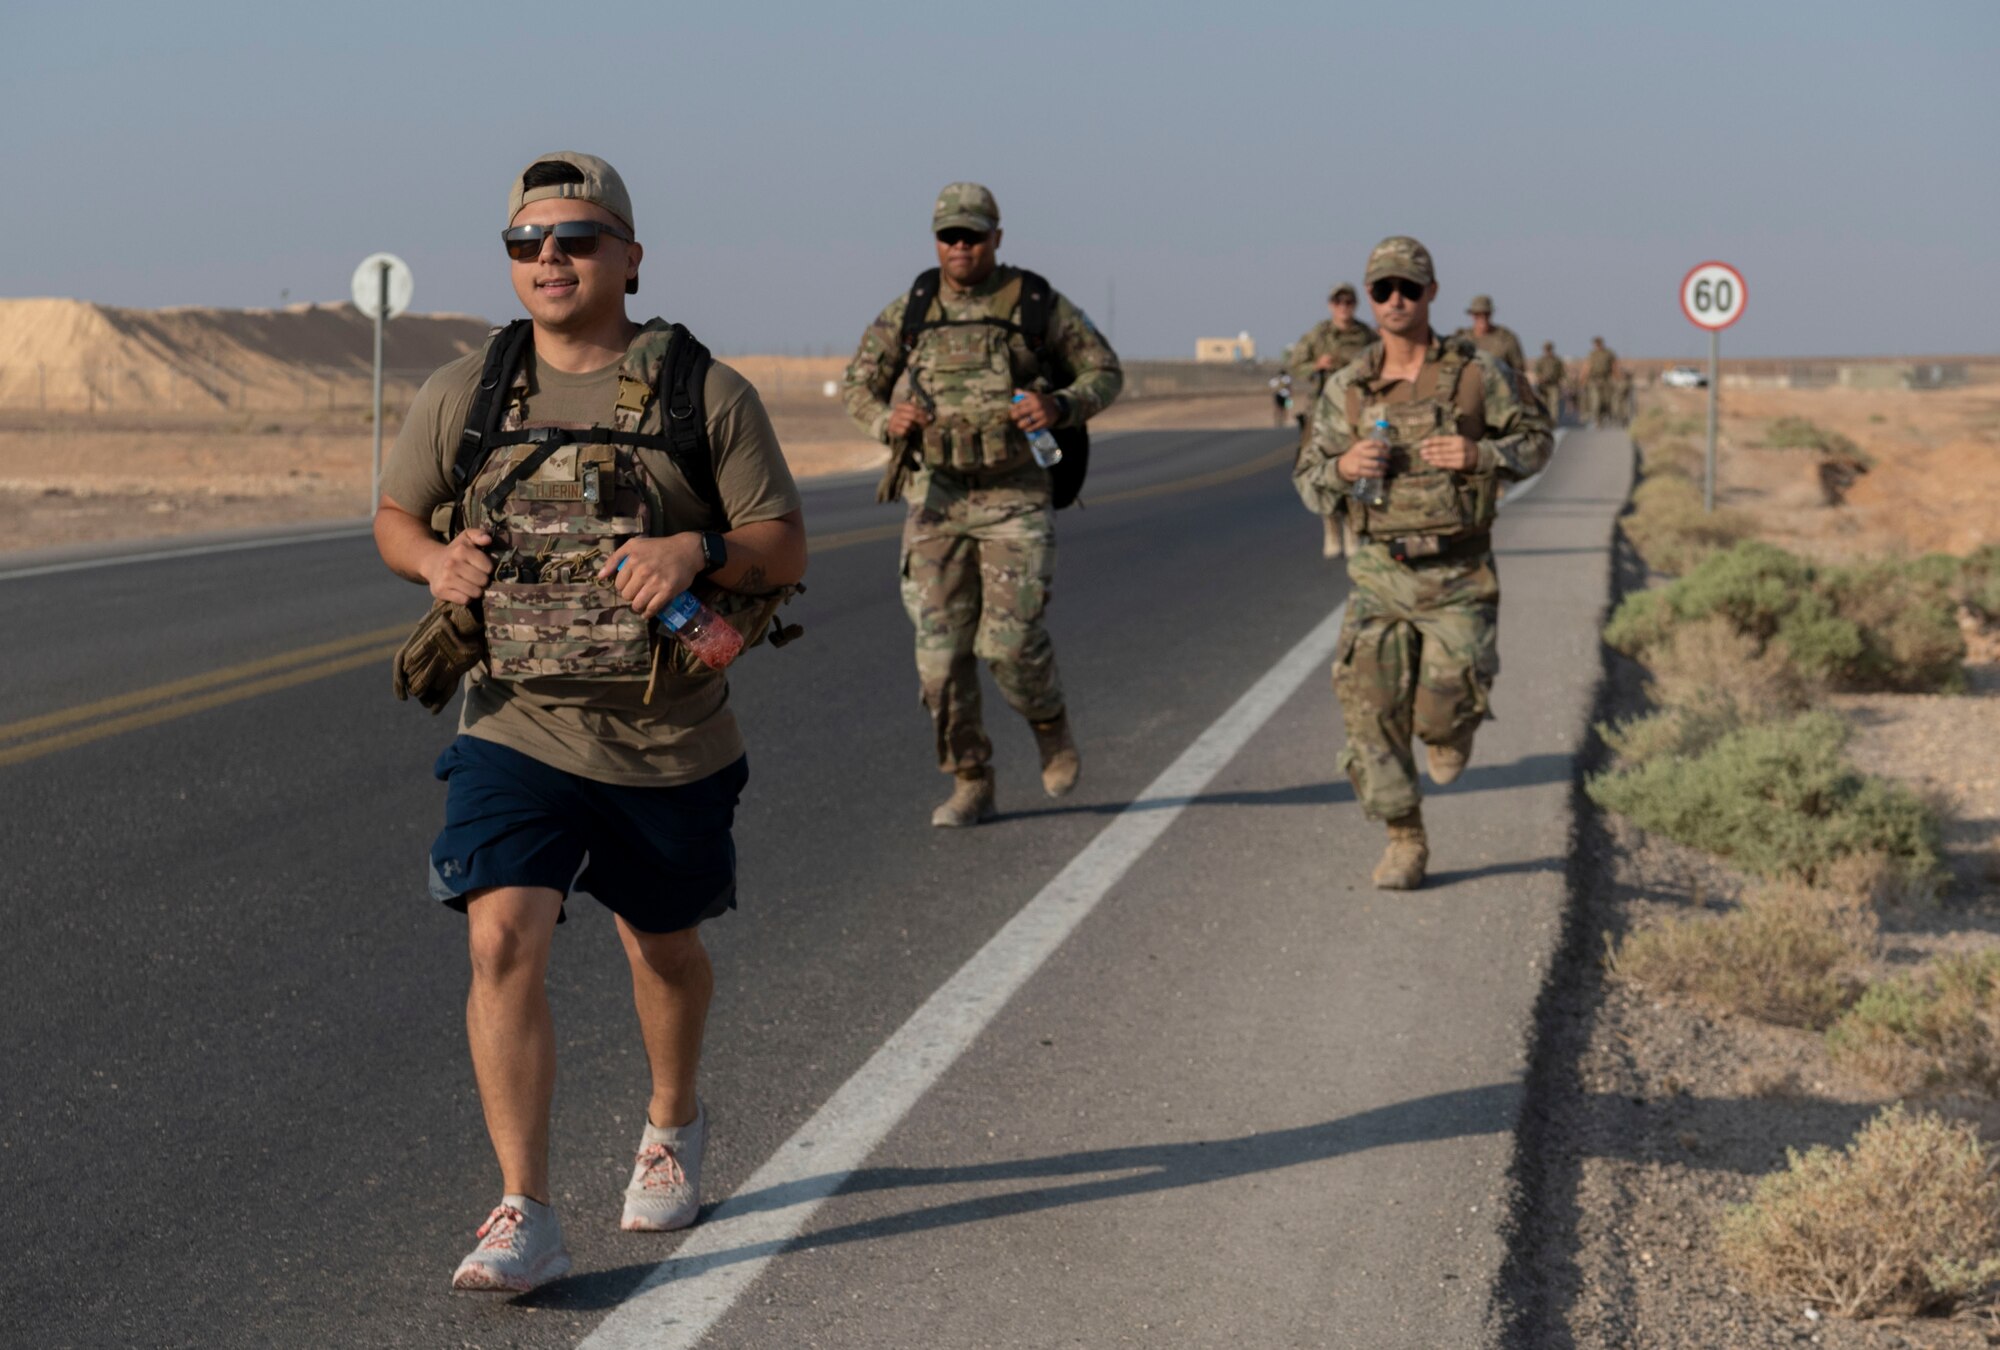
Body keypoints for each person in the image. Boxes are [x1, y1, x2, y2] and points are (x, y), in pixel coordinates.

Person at [373, 152, 807, 1292]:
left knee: (660, 946)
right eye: (526, 244)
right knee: (498, 931)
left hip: (666, 738)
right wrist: (435, 560)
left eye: (573, 239)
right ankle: (525, 1210)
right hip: (513, 720)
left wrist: (695, 548)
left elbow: (783, 543)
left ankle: (672, 1118)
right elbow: (392, 515)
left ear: (628, 255)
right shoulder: (467, 390)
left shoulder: (701, 394)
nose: (549, 260)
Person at [843, 182, 1122, 827]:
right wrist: (890, 419)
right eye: (950, 236)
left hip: (1014, 495)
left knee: (1010, 643)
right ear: (936, 240)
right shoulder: (911, 311)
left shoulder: (1033, 304)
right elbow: (859, 385)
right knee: (940, 660)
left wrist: (1061, 405)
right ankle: (971, 779)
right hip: (936, 497)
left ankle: (1050, 725)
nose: (961, 246)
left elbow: (1104, 370)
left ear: (997, 236)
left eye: (973, 235)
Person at [1292, 237, 1552, 890]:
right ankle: (1405, 838)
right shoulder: (1347, 389)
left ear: (1432, 293)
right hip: (1380, 571)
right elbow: (1308, 479)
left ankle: (1451, 726)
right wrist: (1343, 467)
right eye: (1383, 289)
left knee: (1441, 707)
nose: (1396, 299)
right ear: (1369, 298)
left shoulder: (1475, 374)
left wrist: (1482, 457)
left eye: (1410, 287)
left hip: (1460, 573)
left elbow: (1538, 438)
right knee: (1369, 709)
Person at [1281, 283, 1378, 558]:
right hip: (1322, 411)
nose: (1343, 307)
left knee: (1356, 468)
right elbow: (1296, 364)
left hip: (1357, 413)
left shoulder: (1366, 336)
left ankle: (1351, 526)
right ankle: (1331, 526)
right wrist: (1317, 366)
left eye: (1348, 302)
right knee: (1321, 468)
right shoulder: (1319, 335)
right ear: (1330, 305)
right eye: (1338, 302)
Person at [1452, 295, 1528, 379]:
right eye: (1478, 314)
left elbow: (1519, 370)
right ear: (1472, 316)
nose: (1483, 318)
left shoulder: (1506, 338)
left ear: (1491, 314)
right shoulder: (1462, 338)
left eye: (1486, 314)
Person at [1584, 336, 1619, 426]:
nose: (1597, 345)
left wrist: (1617, 377)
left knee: (1607, 400)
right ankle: (1597, 419)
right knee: (1596, 401)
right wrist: (1583, 379)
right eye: (1596, 343)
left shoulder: (1608, 353)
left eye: (1599, 343)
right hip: (1595, 380)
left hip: (1606, 379)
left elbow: (1614, 366)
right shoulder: (1592, 354)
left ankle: (1606, 416)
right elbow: (1588, 367)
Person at [1531, 341, 1567, 424]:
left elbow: (1562, 372)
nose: (1548, 351)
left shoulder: (1557, 360)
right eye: (1546, 349)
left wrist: (1565, 382)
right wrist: (1540, 378)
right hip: (1543, 386)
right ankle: (1545, 420)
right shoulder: (1541, 361)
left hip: (1554, 385)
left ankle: (1553, 421)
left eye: (1549, 349)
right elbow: (1536, 372)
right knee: (1544, 403)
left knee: (1554, 403)